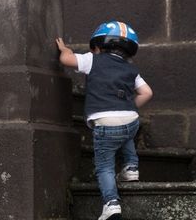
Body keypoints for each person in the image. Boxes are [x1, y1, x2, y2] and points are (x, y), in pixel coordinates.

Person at [56, 21, 153, 220]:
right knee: (126, 132)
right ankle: (131, 167)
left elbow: (67, 60)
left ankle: (111, 204)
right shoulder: (131, 70)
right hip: (130, 119)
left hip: (104, 121)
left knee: (105, 167)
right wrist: (130, 106)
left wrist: (65, 49)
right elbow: (147, 92)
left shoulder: (93, 59)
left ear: (99, 46)